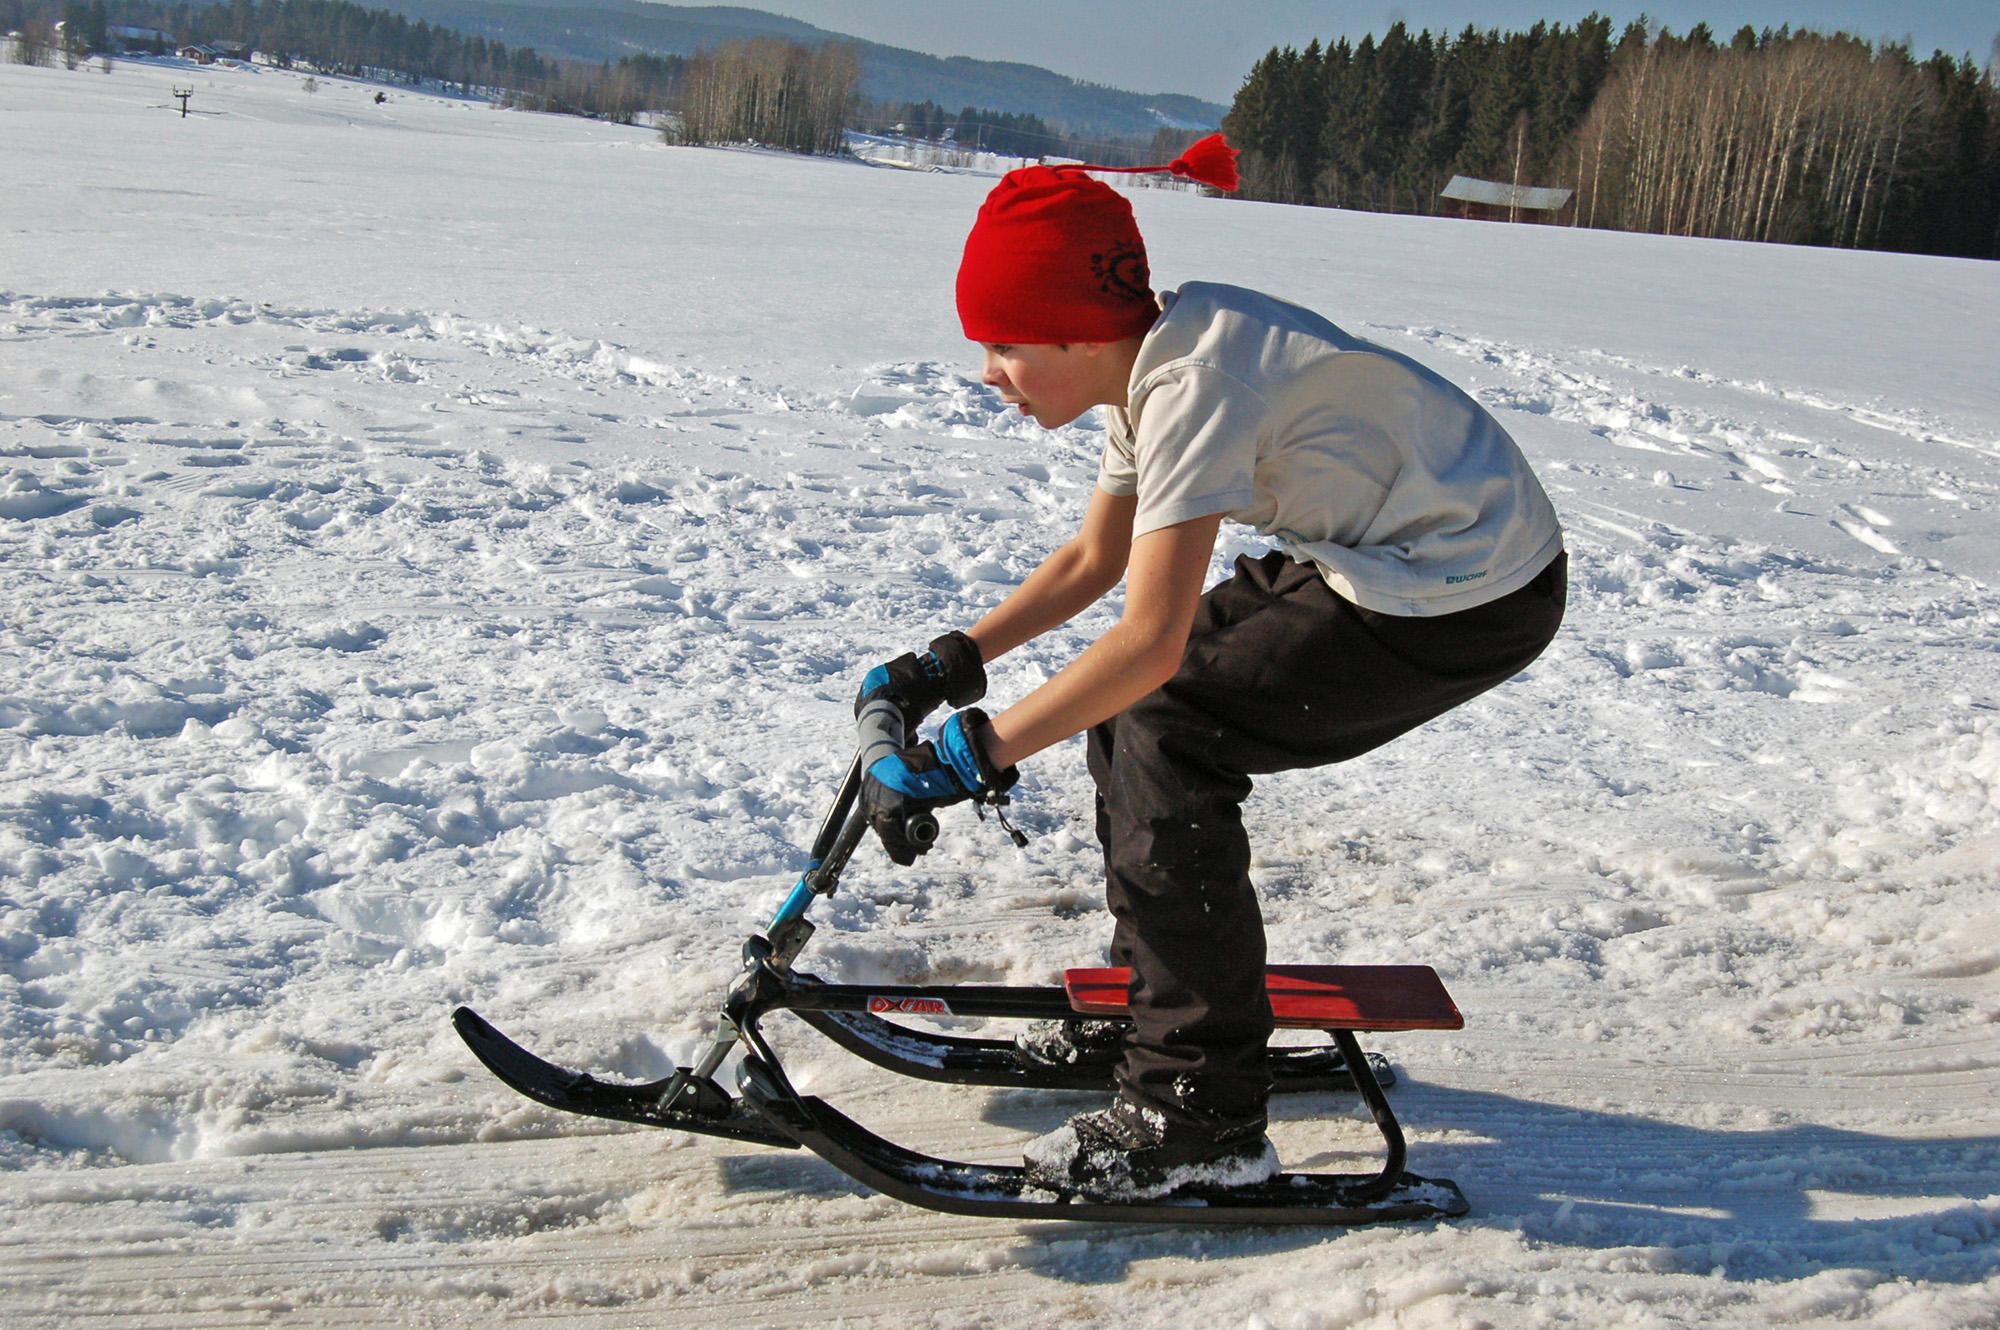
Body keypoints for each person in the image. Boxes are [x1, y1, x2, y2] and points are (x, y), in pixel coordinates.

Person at [856, 136, 1567, 1200]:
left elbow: (1147, 644)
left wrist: (978, 749)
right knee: (1132, 713)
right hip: (1383, 555)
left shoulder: (1192, 383)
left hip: (1465, 590)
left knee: (1160, 724)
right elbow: (1095, 561)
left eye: (1001, 345)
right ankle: (1158, 1021)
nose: (988, 374)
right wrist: (948, 663)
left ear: (1073, 328)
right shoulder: (1145, 367)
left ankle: (1198, 1112)